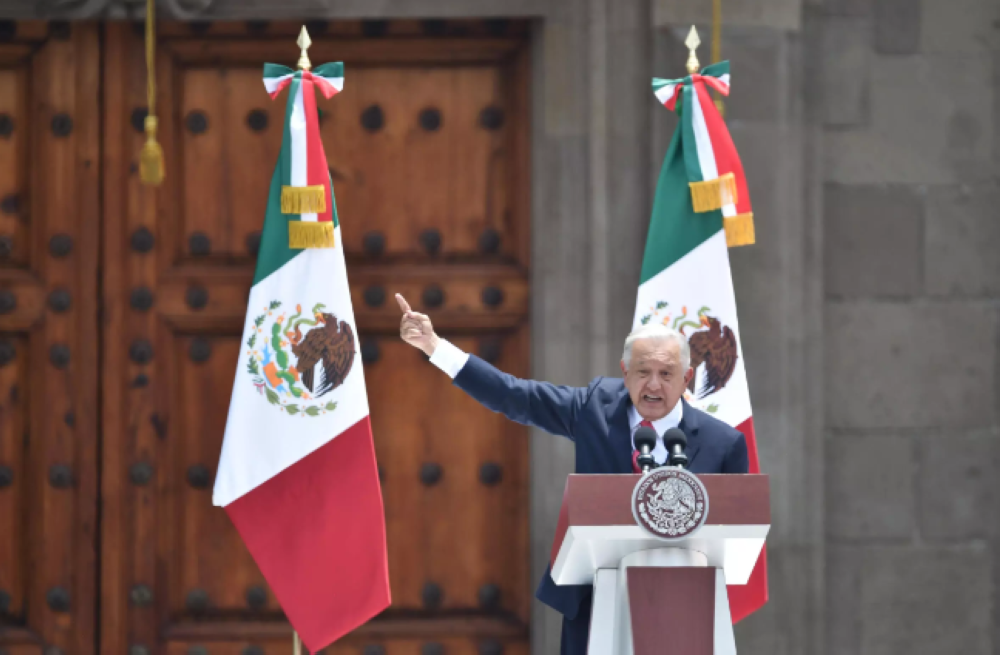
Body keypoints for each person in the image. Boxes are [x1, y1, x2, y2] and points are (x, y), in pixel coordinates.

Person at [395, 293, 748, 655]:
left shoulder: (724, 443)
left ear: (687, 377)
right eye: (643, 372)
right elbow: (516, 396)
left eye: (666, 374)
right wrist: (435, 347)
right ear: (625, 372)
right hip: (596, 598)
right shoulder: (594, 407)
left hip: (685, 606)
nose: (654, 385)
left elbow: (738, 535)